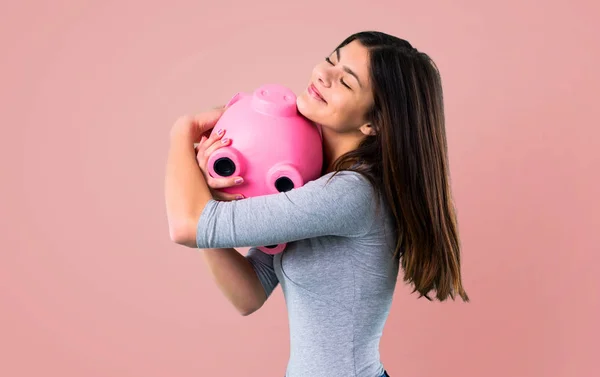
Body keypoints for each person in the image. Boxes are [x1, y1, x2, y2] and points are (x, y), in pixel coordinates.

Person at [165, 30, 469, 377]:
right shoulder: (315, 180)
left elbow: (186, 226)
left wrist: (182, 130)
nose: (323, 75)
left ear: (374, 123)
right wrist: (211, 202)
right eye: (331, 59)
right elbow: (248, 294)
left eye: (346, 81)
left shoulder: (350, 193)